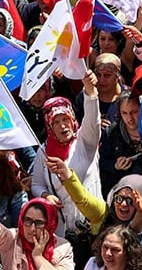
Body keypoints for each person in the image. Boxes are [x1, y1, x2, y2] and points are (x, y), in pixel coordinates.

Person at [31, 70, 101, 237]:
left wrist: (90, 92)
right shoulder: (44, 151)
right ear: (49, 126)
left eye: (65, 120)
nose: (63, 126)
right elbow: (36, 184)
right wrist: (46, 195)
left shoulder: (85, 141)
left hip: (93, 228)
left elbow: (93, 118)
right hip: (62, 233)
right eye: (56, 122)